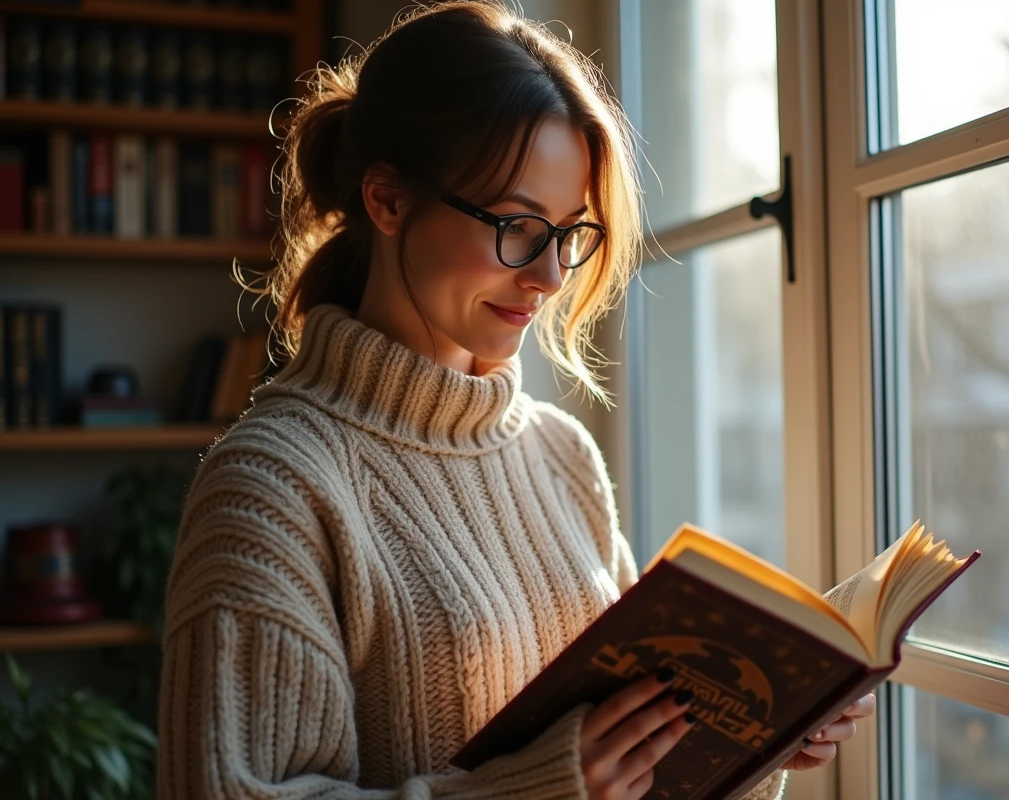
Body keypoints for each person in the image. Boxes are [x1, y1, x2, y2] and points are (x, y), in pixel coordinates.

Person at [157, 2, 873, 798]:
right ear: (388, 201)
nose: (552, 277)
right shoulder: (272, 488)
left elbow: (630, 764)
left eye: (569, 233)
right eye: (518, 227)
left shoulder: (562, 455)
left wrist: (749, 736)